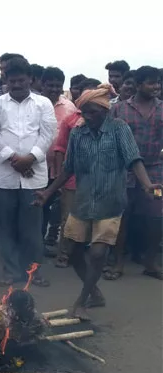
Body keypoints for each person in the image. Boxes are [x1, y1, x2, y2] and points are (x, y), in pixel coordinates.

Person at [34, 84, 161, 320]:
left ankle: (82, 300)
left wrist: (146, 184)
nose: (88, 117)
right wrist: (48, 192)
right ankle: (95, 291)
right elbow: (68, 169)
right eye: (85, 113)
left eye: (93, 112)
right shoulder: (78, 134)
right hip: (82, 202)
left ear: (105, 111)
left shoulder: (119, 129)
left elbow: (134, 159)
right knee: (73, 253)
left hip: (110, 202)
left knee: (97, 253)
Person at [0, 57, 56, 287]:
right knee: (6, 227)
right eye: (12, 81)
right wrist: (15, 159)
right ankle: (10, 271)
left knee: (32, 228)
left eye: (21, 80)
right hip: (4, 177)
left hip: (34, 177)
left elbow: (48, 134)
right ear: (6, 79)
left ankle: (33, 271)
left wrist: (30, 158)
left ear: (30, 80)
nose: (16, 85)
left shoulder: (43, 103)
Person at [109, 66, 163, 280]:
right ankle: (118, 263)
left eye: (158, 82)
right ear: (138, 85)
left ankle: (151, 262)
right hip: (124, 172)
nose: (156, 87)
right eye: (151, 82)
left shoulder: (162, 108)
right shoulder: (119, 110)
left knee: (158, 216)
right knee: (122, 218)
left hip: (156, 172)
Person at [51, 78, 102, 269]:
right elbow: (60, 148)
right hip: (72, 179)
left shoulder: (110, 122)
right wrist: (57, 174)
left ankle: (86, 255)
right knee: (69, 218)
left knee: (95, 218)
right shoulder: (71, 120)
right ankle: (64, 254)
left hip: (100, 180)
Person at [40, 67, 78, 254]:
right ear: (42, 84)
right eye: (50, 85)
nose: (54, 89)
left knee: (58, 208)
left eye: (58, 85)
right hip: (36, 167)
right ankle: (35, 245)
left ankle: (51, 242)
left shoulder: (70, 107)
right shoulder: (35, 104)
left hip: (60, 168)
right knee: (39, 207)